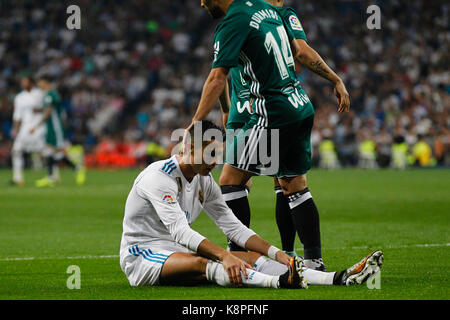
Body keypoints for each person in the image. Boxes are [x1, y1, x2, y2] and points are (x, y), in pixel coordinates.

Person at [120, 120, 383, 288]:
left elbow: (233, 228)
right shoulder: (159, 177)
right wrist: (224, 255)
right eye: (210, 153)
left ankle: (338, 278)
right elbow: (180, 232)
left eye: (219, 154)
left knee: (252, 258)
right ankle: (280, 283)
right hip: (142, 256)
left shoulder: (205, 181)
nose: (215, 161)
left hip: (174, 252)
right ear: (189, 147)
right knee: (207, 264)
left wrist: (276, 253)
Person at [189, 0, 350, 271]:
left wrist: (195, 124)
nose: (202, 2)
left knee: (230, 179)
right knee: (294, 184)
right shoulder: (271, 13)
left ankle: (239, 254)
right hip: (299, 105)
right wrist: (335, 78)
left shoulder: (233, 21)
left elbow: (217, 77)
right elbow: (300, 50)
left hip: (271, 111)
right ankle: (313, 261)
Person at [29, 76, 86, 187]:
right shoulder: (49, 95)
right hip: (51, 127)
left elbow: (49, 113)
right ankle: (52, 177)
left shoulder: (51, 95)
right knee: (52, 152)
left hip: (55, 128)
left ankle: (77, 168)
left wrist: (35, 126)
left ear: (45, 82)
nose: (39, 85)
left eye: (40, 82)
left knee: (55, 151)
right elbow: (50, 110)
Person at [10, 76, 45, 185]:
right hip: (25, 127)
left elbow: (48, 108)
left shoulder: (40, 94)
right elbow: (17, 115)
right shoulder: (19, 97)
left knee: (48, 151)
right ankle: (18, 178)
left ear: (31, 83)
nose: (23, 84)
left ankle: (54, 175)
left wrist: (40, 110)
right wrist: (15, 129)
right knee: (16, 150)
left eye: (25, 82)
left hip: (39, 127)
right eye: (22, 82)